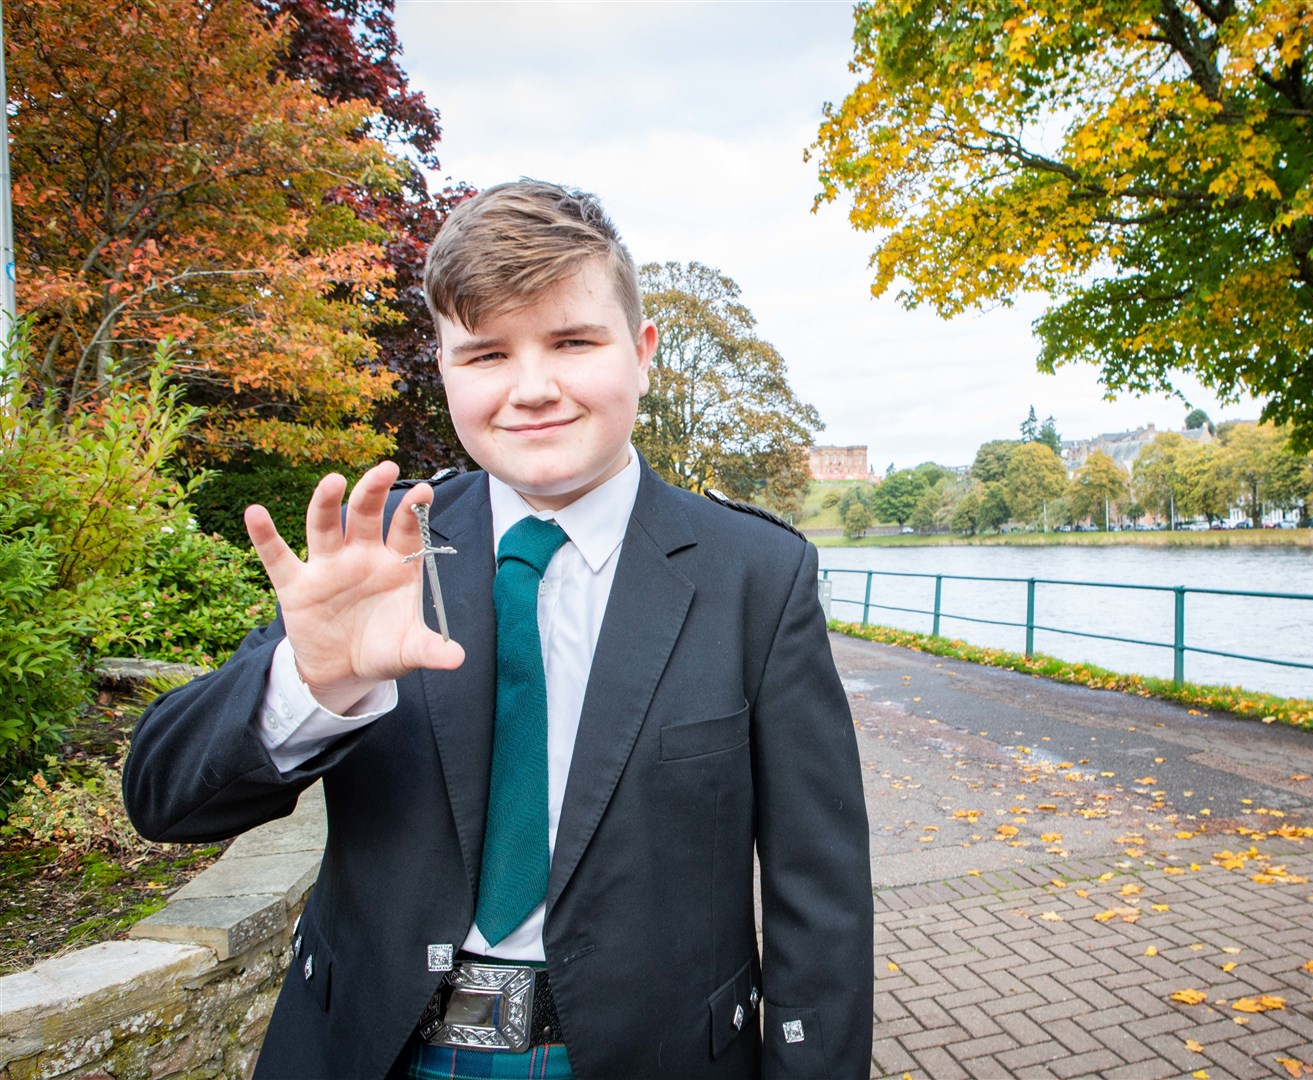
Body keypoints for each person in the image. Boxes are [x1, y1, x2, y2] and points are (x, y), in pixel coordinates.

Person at [122, 181, 873, 1080]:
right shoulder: (380, 554)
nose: (532, 390)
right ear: (442, 367)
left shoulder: (756, 573)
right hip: (370, 1051)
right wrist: (310, 680)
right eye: (483, 355)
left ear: (640, 354)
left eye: (572, 342)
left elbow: (817, 891)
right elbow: (164, 801)